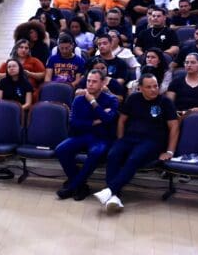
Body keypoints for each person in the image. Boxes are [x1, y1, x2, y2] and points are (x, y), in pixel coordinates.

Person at [94, 73, 178, 212]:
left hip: (153, 140)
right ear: (140, 88)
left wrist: (170, 151)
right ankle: (115, 196)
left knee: (134, 158)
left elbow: (174, 126)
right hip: (130, 137)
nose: (153, 90)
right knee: (113, 154)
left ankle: (110, 190)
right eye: (149, 87)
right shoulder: (133, 98)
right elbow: (122, 120)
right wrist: (120, 140)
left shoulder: (165, 102)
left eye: (155, 86)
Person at [55, 70, 119, 201]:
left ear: (102, 83)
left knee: (95, 153)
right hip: (81, 136)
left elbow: (108, 120)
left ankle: (73, 186)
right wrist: (96, 121)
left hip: (102, 137)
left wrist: (93, 102)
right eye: (89, 81)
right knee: (61, 149)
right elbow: (73, 123)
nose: (90, 84)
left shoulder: (111, 100)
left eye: (94, 81)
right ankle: (81, 186)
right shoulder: (79, 99)